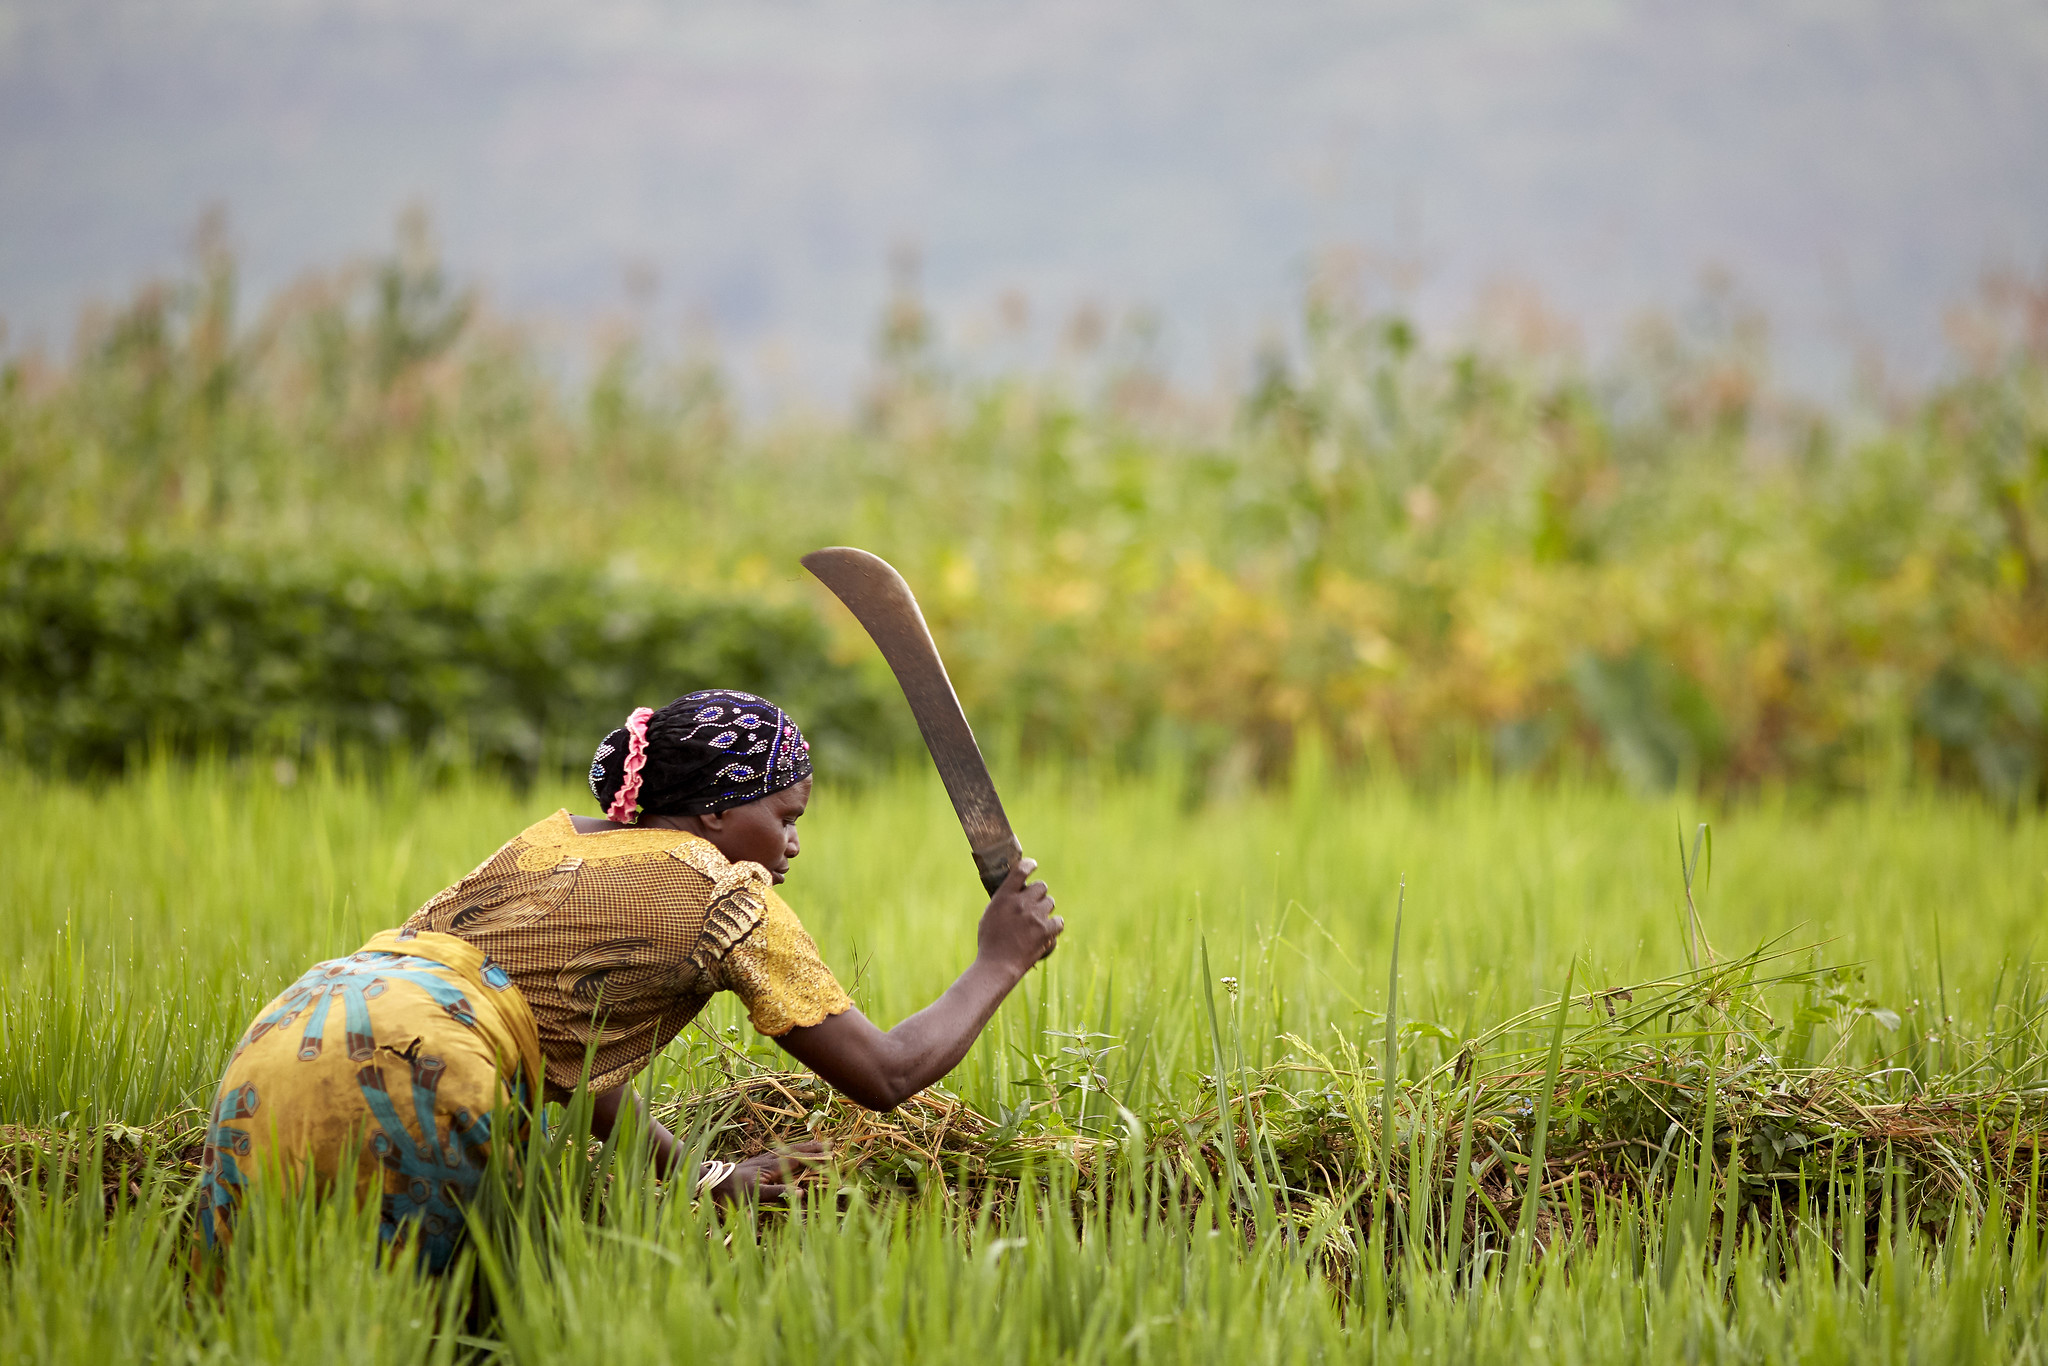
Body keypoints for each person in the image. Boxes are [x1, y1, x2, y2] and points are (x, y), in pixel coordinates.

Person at [197, 689, 1062, 1270]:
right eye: (785, 817)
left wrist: (698, 1174)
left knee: (253, 1300)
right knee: (439, 1325)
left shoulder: (553, 841)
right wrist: (999, 959)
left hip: (297, 1025)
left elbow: (566, 1054)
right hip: (427, 1064)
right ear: (718, 809)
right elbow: (887, 1074)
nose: (793, 843)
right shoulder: (727, 893)